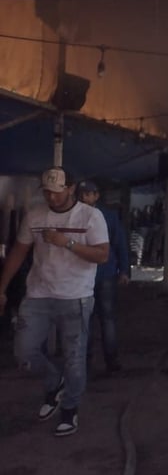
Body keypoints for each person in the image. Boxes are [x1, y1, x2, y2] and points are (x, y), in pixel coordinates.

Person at [0, 167, 109, 437]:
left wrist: (67, 242)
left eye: (57, 192)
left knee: (74, 358)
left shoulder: (91, 216)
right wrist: (1, 287)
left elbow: (102, 255)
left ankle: (69, 410)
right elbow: (19, 250)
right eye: (47, 192)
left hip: (76, 296)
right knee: (23, 352)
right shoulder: (35, 215)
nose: (52, 197)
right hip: (38, 294)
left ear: (71, 188)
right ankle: (53, 382)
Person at [77, 180, 131, 374]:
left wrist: (124, 270)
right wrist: (124, 270)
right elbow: (120, 244)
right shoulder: (107, 216)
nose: (85, 197)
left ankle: (90, 362)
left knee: (91, 319)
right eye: (83, 194)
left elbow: (120, 243)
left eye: (89, 194)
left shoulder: (83, 217)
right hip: (96, 274)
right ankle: (107, 361)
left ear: (96, 195)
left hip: (96, 275)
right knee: (101, 319)